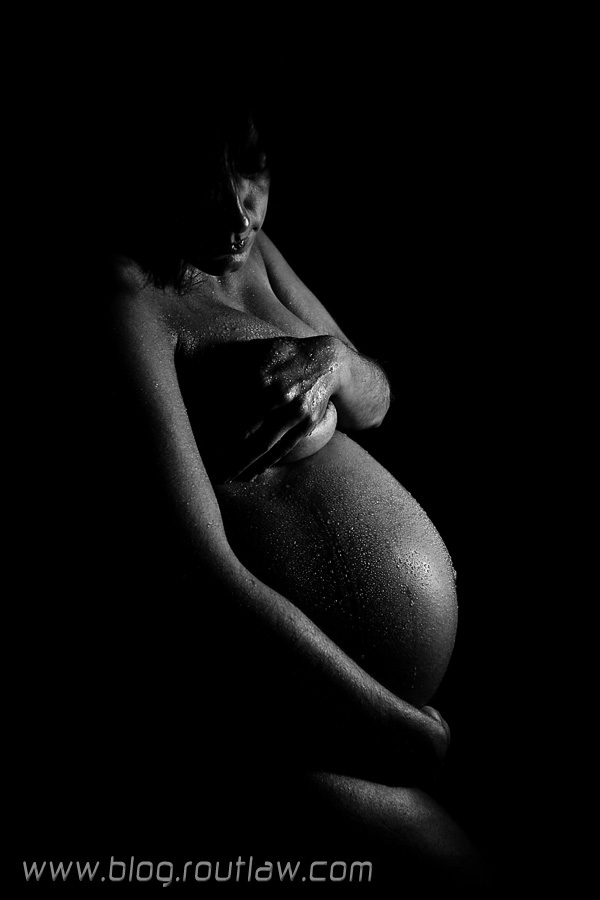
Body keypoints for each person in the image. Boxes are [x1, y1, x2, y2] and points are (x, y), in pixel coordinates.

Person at [24, 85, 495, 891]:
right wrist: (388, 726)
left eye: (253, 173)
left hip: (364, 716)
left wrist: (332, 363)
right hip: (272, 719)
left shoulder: (252, 250)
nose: (239, 213)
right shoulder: (125, 300)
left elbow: (377, 399)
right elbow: (194, 573)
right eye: (202, 187)